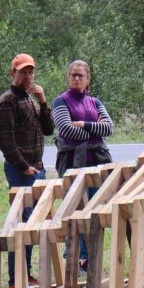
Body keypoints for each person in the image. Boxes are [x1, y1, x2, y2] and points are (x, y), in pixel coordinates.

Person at [0, 53, 54, 288]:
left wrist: (43, 101)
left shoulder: (30, 99)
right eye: (23, 72)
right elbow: (4, 140)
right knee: (22, 224)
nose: (28, 76)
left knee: (33, 222)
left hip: (36, 168)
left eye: (31, 72)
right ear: (13, 74)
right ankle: (16, 279)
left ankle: (25, 274)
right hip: (22, 171)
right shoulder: (7, 101)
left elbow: (48, 130)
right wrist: (24, 166)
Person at [52, 60, 114, 269]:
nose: (77, 78)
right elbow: (66, 130)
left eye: (81, 75)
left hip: (97, 164)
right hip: (71, 164)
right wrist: (94, 133)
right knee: (74, 210)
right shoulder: (60, 101)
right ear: (68, 78)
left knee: (94, 210)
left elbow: (108, 128)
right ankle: (72, 255)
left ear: (88, 79)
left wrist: (85, 125)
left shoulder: (95, 102)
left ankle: (88, 260)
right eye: (73, 75)